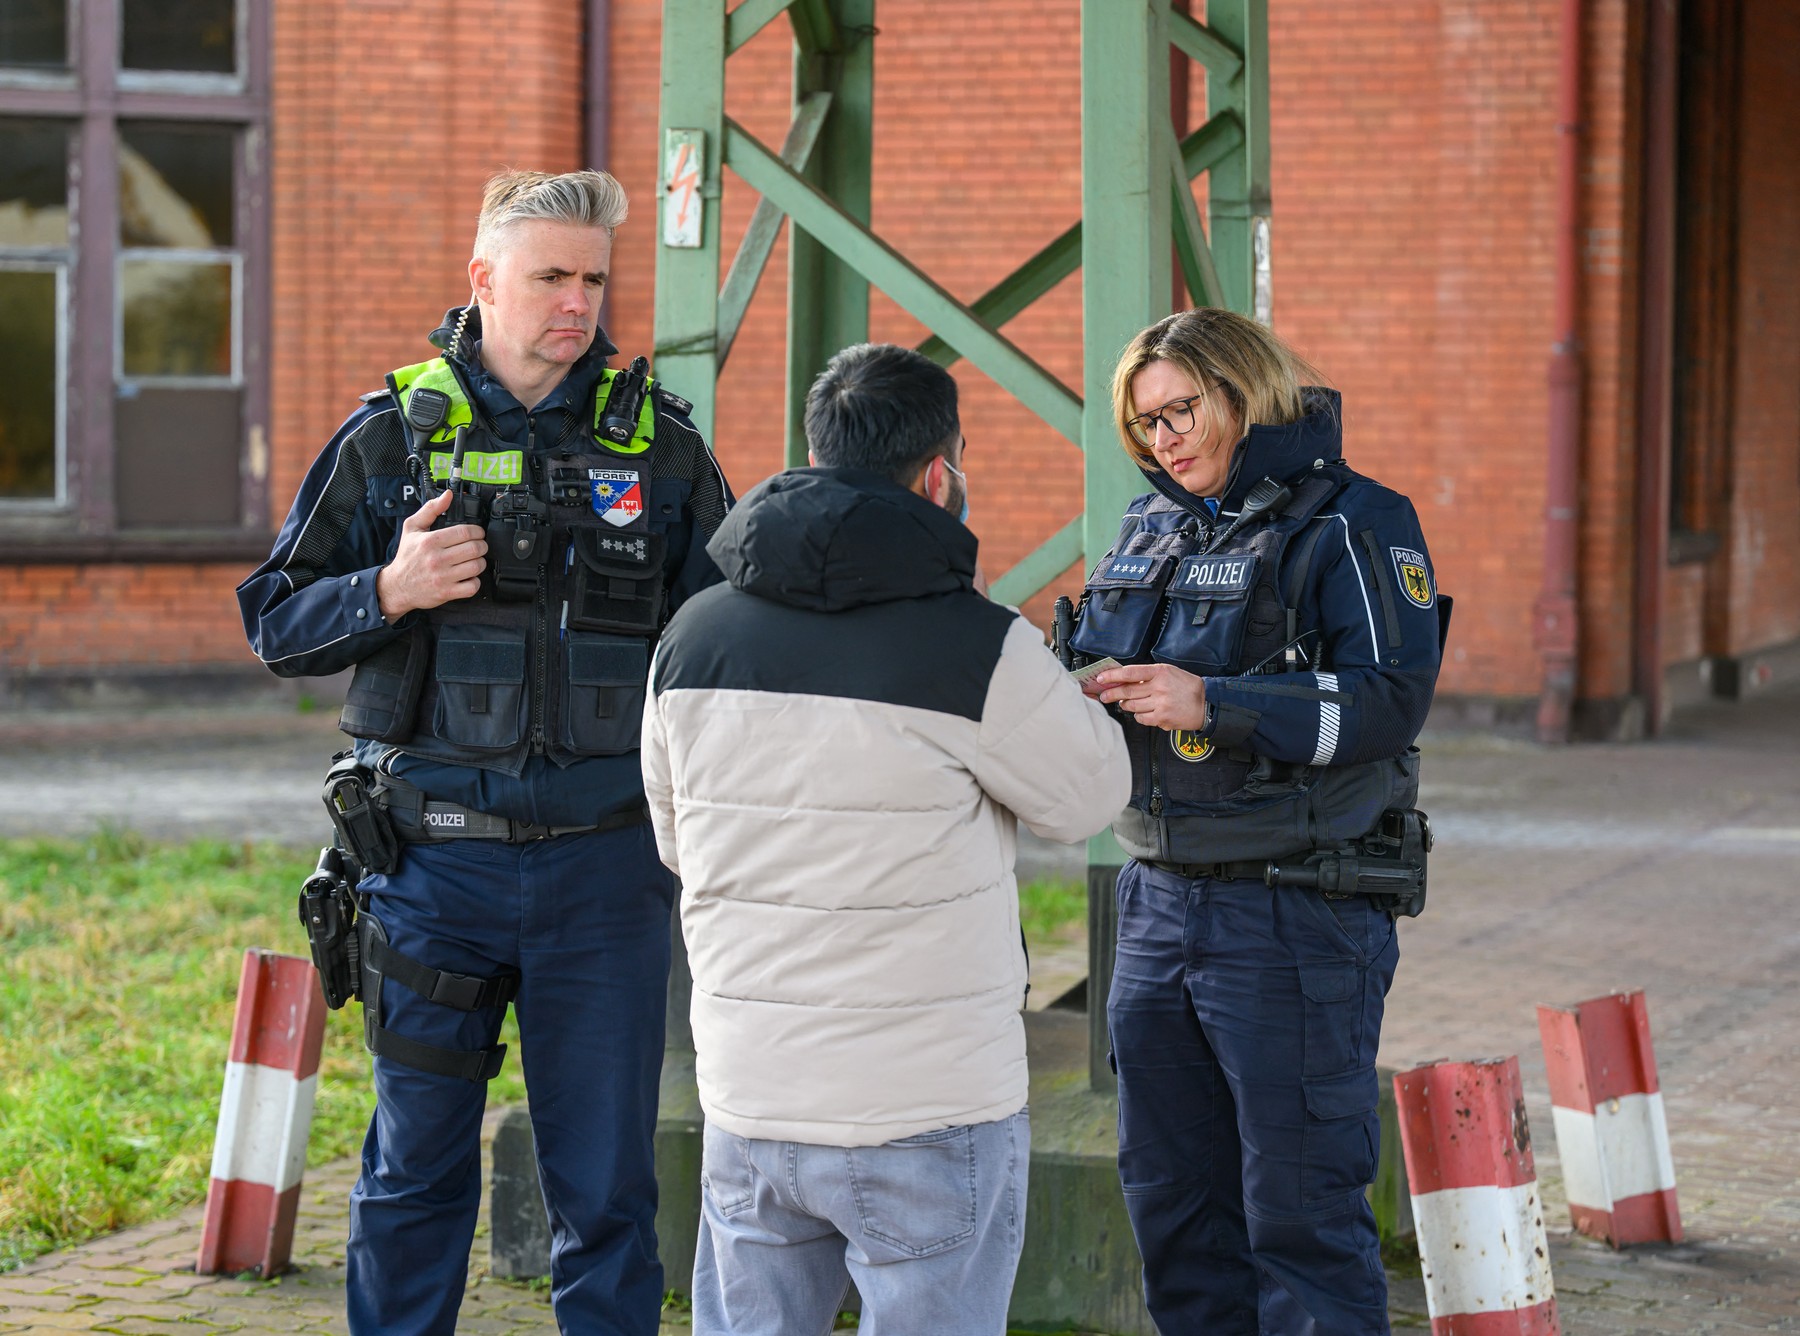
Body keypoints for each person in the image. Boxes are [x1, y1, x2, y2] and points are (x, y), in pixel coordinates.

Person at [238, 169, 732, 1336]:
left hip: (606, 879)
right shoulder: (390, 439)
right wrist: (390, 587)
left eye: (595, 278)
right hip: (429, 874)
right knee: (414, 1179)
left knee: (606, 1190)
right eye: (550, 276)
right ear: (483, 279)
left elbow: (724, 638)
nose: (577, 302)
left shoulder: (657, 446)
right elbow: (274, 618)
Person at [640, 342, 1130, 1336]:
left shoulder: (693, 634)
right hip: (929, 1104)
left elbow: (678, 839)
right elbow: (1088, 800)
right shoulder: (976, 643)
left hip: (753, 1093)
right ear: (939, 471)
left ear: (814, 450)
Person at [1072, 308, 1443, 1334]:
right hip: (1152, 908)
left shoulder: (1354, 521)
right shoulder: (1153, 528)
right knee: (1174, 1212)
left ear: (1245, 389)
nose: (1166, 439)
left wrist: (1217, 704)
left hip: (1294, 916)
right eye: (1146, 424)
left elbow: (1388, 702)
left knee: (1301, 1220)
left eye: (1183, 408)